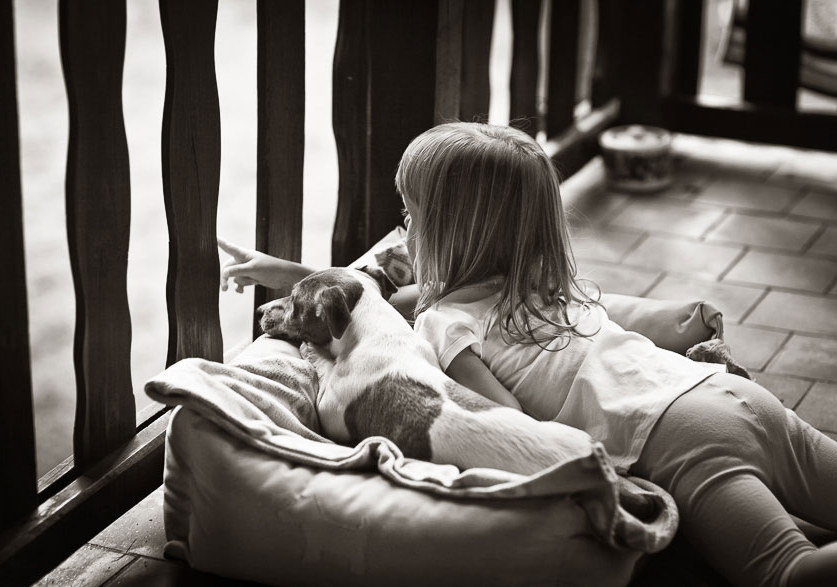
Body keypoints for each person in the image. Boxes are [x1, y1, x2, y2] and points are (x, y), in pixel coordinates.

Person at [219, 122, 837, 587]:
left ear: (449, 235)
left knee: (787, 573)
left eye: (411, 217)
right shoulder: (544, 280)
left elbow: (505, 416)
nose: (402, 232)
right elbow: (367, 295)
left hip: (679, 441)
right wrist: (289, 273)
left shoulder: (444, 324)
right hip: (729, 395)